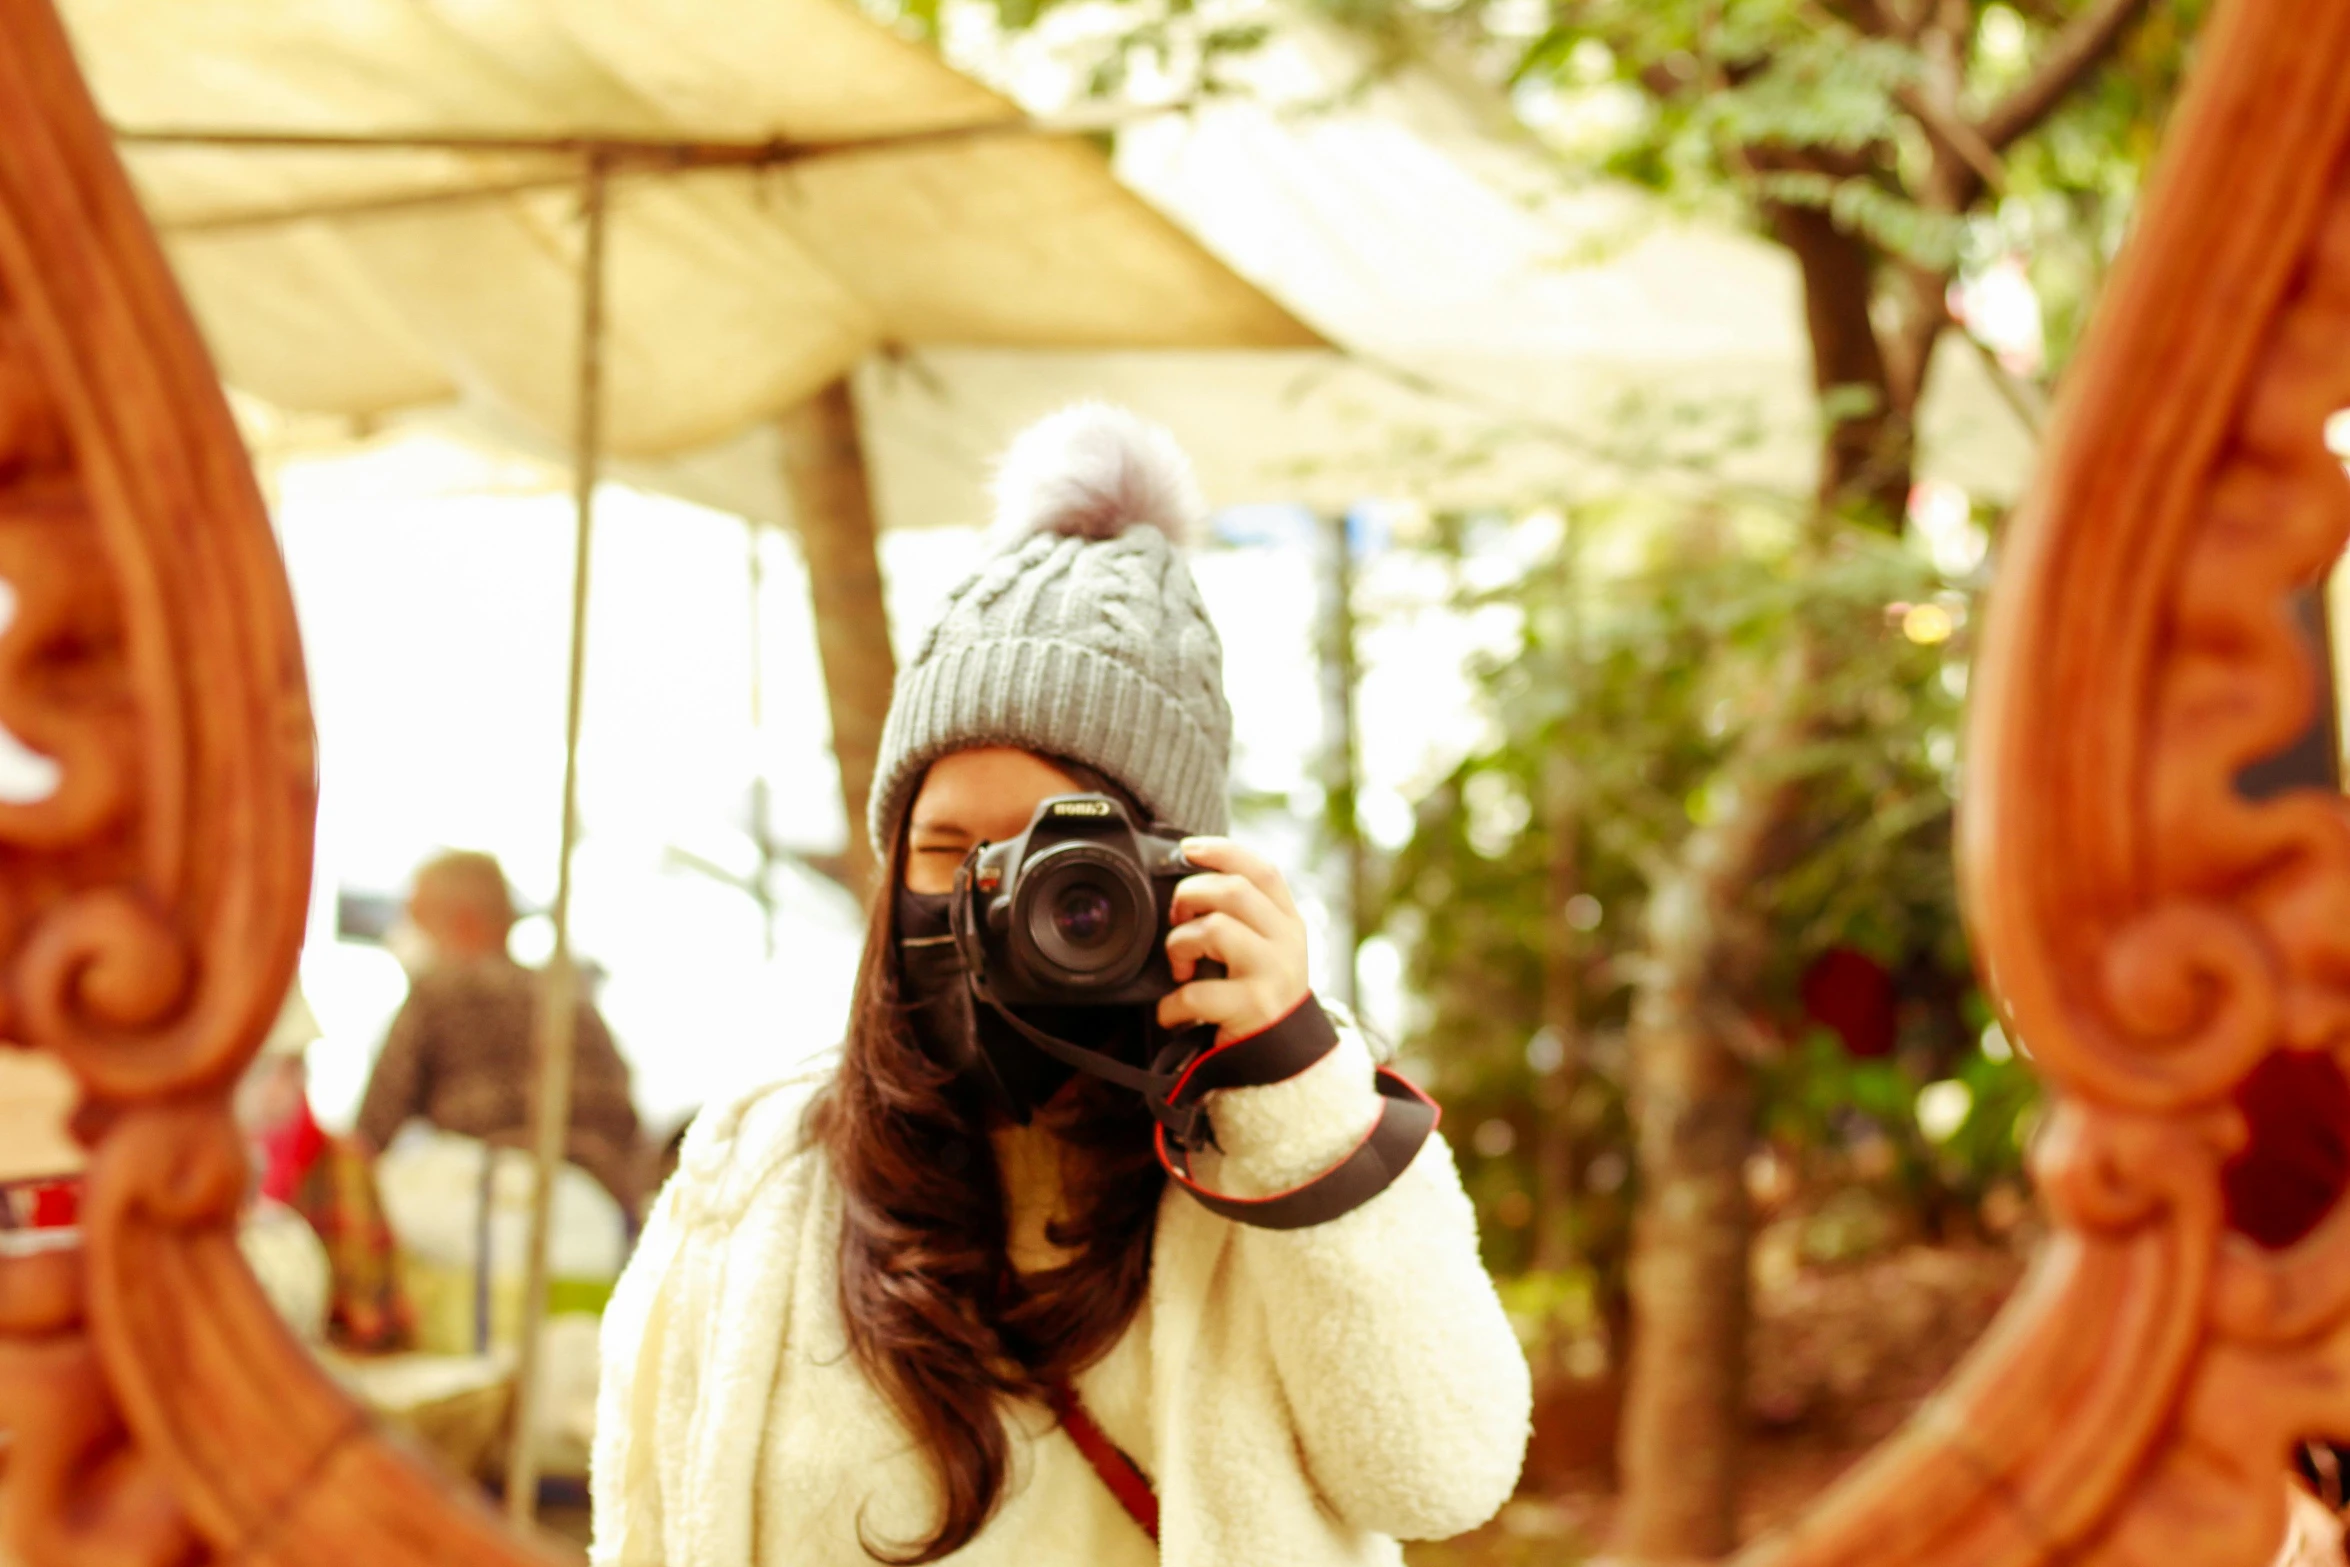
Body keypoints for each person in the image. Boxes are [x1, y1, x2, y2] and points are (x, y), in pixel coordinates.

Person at [590, 406, 1530, 1567]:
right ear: (891, 875)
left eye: (1058, 865)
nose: (997, 901)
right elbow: (646, 1523)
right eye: (948, 851)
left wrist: (1292, 1080)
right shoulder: (761, 1172)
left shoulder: (1285, 1141)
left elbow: (1443, 1475)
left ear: (1175, 871)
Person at [356, 850, 648, 1219]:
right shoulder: (570, 999)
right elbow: (631, 1132)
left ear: (464, 922)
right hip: (605, 1215)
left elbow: (369, 1136)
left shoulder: (436, 995)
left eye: (415, 918)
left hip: (501, 1217)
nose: (400, 935)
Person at [235, 982, 416, 1354]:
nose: (282, 1087)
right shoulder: (194, 1163)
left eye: (293, 1069)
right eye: (268, 1069)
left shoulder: (336, 1161)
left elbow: (366, 1313)